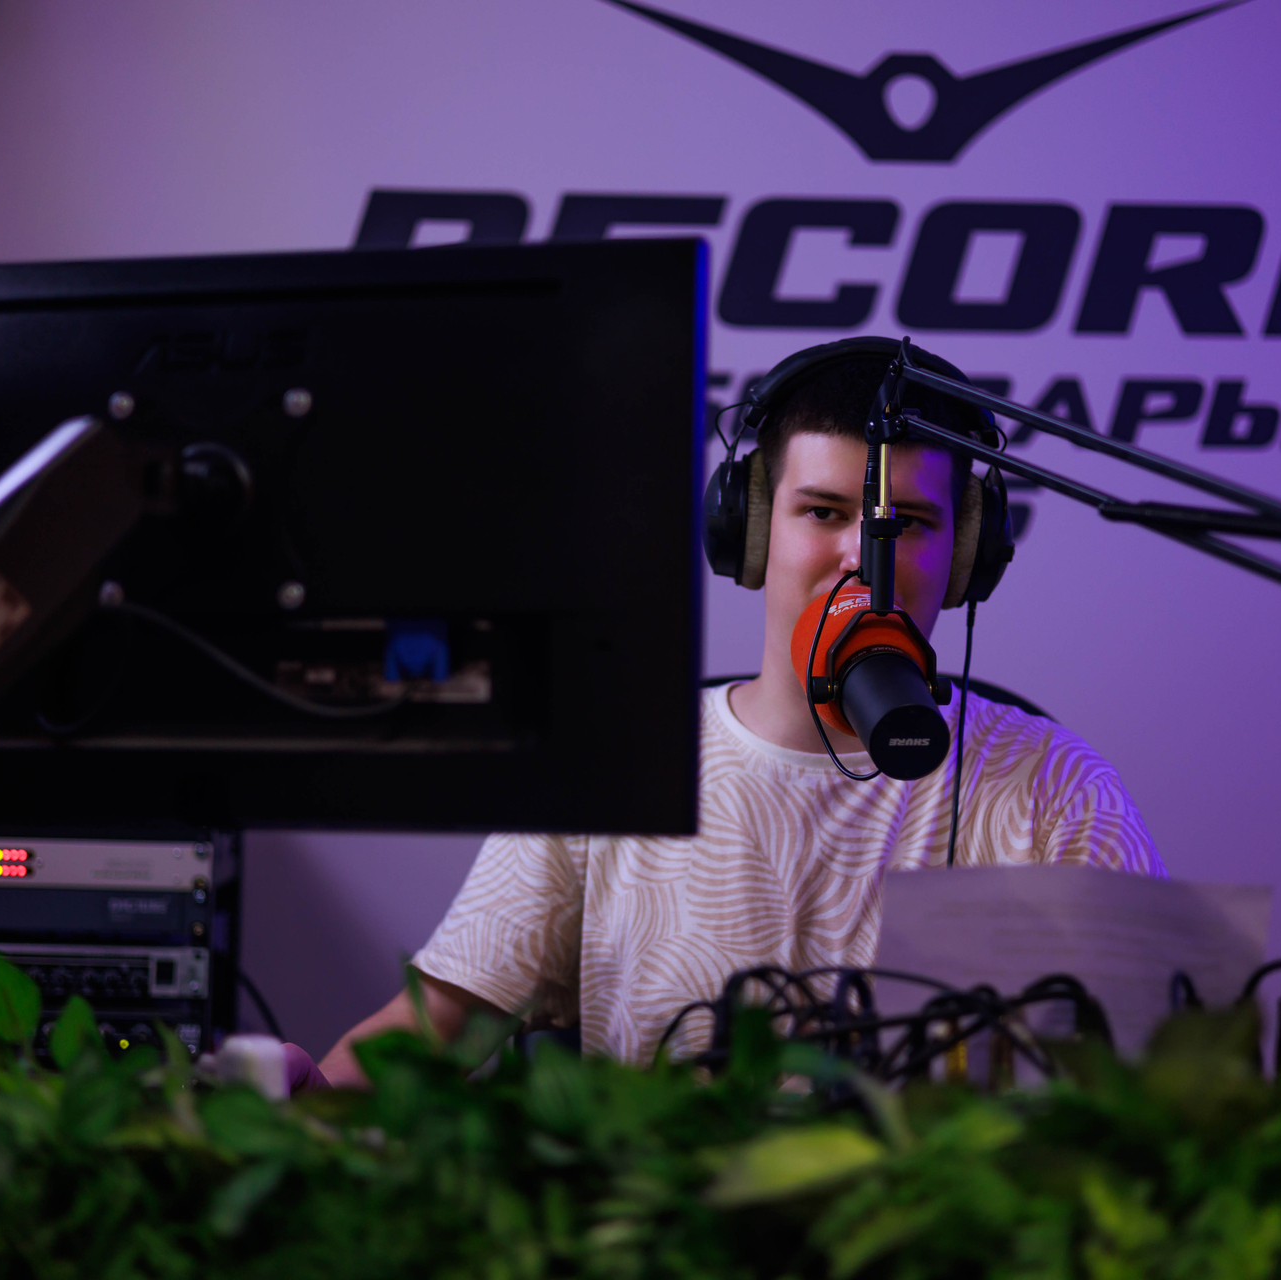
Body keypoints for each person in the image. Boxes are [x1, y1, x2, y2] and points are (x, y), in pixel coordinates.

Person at [317, 341, 1164, 1084]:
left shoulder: (1054, 787)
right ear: (751, 532)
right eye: (822, 512)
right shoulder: (620, 761)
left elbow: (1156, 1072)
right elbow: (435, 1034)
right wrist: (293, 1103)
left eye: (904, 523)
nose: (859, 559)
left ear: (965, 556)